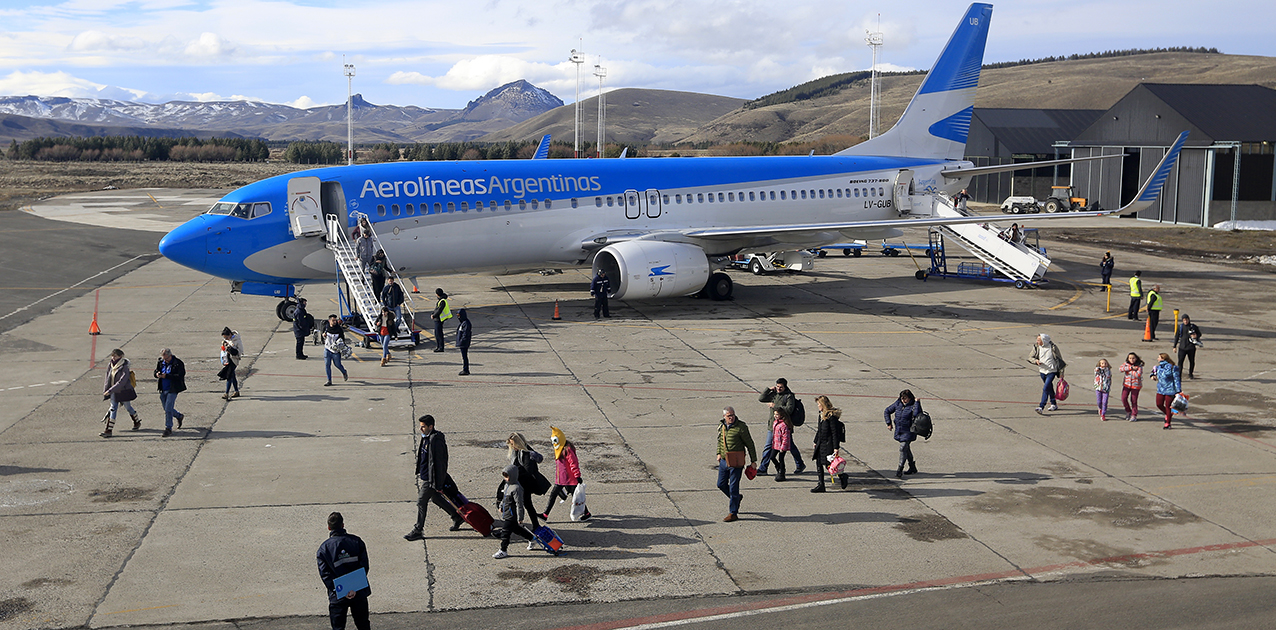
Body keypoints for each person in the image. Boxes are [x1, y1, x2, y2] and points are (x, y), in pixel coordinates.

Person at [404, 415, 465, 541]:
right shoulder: (426, 437)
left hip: (431, 479)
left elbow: (440, 463)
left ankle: (418, 529)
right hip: (427, 476)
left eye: (423, 427)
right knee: (436, 498)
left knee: (421, 501)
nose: (420, 429)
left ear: (430, 427)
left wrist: (437, 482)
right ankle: (456, 516)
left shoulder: (435, 440)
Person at [316, 511, 370, 630]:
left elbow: (325, 575)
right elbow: (364, 566)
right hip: (358, 592)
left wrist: (342, 589)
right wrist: (353, 588)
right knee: (363, 625)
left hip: (338, 595)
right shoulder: (357, 542)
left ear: (329, 527)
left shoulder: (323, 549)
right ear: (343, 525)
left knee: (338, 627)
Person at [715, 406, 757, 523]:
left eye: (733, 415)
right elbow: (720, 441)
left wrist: (753, 461)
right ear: (724, 417)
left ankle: (733, 513)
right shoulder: (722, 426)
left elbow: (750, 444)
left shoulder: (741, 427)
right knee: (721, 484)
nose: (731, 418)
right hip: (724, 460)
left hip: (736, 462)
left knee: (734, 487)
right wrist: (719, 453)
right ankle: (737, 498)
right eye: (729, 416)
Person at [756, 378, 805, 475]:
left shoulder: (789, 396)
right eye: (777, 386)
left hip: (784, 426)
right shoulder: (774, 394)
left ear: (785, 387)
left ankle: (800, 464)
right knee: (768, 446)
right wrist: (768, 390)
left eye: (781, 387)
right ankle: (763, 468)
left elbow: (789, 409)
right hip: (773, 426)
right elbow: (761, 398)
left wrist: (775, 406)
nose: (778, 389)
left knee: (790, 446)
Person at [540, 427, 589, 521]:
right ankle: (545, 514)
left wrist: (577, 476)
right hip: (562, 478)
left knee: (574, 496)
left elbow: (573, 463)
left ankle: (545, 514)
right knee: (571, 495)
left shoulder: (567, 449)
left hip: (568, 479)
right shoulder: (559, 449)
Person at [492, 463, 538, 559]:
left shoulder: (517, 488)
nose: (505, 478)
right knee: (516, 529)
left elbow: (519, 504)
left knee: (505, 533)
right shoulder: (507, 485)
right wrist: (501, 506)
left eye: (507, 476)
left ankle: (503, 550)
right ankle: (532, 538)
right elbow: (504, 498)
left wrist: (520, 517)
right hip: (507, 512)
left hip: (511, 515)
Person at [507, 432, 546, 531]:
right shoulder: (517, 452)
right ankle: (535, 525)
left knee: (524, 504)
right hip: (519, 482)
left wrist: (514, 474)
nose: (512, 446)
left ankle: (511, 527)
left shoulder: (527, 454)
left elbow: (528, 471)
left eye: (513, 443)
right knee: (526, 505)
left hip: (525, 484)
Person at [101, 348, 139, 438]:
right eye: (112, 355)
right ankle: (108, 430)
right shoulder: (110, 365)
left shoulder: (124, 366)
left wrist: (110, 390)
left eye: (115, 356)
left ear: (120, 356)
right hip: (114, 391)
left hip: (123, 391)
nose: (113, 357)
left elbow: (122, 382)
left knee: (128, 407)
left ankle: (137, 422)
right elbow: (107, 378)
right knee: (113, 408)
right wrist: (106, 390)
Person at [884, 390, 922, 479]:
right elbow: (887, 411)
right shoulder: (898, 404)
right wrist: (888, 423)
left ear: (910, 398)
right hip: (899, 430)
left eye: (905, 398)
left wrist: (917, 403)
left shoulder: (914, 405)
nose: (903, 400)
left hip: (909, 431)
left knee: (903, 447)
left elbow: (917, 414)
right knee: (906, 448)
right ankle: (912, 467)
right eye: (902, 398)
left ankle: (900, 469)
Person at [811, 395, 845, 492]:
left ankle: (843, 477)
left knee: (829, 464)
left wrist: (836, 447)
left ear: (823, 404)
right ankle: (821, 484)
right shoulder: (821, 415)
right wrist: (815, 441)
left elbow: (834, 433)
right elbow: (820, 430)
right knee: (818, 463)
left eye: (819, 404)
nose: (818, 406)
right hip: (820, 443)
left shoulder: (831, 417)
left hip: (828, 443)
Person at [1029, 333, 1065, 414]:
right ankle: (1054, 403)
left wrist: (1061, 372)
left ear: (1044, 341)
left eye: (1039, 340)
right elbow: (1030, 357)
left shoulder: (1053, 348)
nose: (1037, 341)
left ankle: (1041, 406)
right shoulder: (1037, 347)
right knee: (1049, 387)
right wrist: (1036, 361)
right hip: (1042, 371)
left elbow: (1060, 360)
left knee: (1045, 388)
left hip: (1051, 370)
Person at [155, 348, 186, 437]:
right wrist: (157, 374)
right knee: (167, 408)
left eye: (166, 358)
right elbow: (156, 371)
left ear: (170, 355)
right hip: (163, 389)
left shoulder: (178, 363)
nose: (165, 360)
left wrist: (167, 376)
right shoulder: (161, 362)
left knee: (168, 409)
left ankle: (168, 428)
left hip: (173, 389)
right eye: (163, 358)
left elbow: (180, 375)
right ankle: (179, 416)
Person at [1153, 353, 1183, 430]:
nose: (1157, 359)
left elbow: (1177, 379)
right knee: (1159, 404)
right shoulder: (1158, 367)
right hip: (1161, 389)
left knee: (1168, 406)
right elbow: (1153, 372)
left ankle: (1168, 423)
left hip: (1170, 389)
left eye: (1159, 357)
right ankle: (1168, 414)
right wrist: (1152, 376)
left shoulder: (1173, 367)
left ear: (1163, 358)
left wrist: (1178, 391)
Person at [322, 315, 350, 386]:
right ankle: (329, 380)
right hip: (327, 349)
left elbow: (342, 340)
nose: (335, 322)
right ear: (329, 321)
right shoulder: (326, 327)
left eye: (335, 320)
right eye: (333, 320)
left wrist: (338, 344)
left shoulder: (339, 329)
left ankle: (344, 372)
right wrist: (323, 335)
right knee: (327, 364)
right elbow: (323, 334)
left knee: (337, 364)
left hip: (336, 351)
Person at [1173, 314, 1203, 379]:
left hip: (1191, 347)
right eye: (1184, 320)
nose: (1185, 321)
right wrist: (1174, 346)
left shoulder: (1193, 327)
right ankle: (1179, 375)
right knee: (1180, 362)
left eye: (1186, 320)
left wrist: (1196, 336)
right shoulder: (1180, 327)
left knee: (1191, 361)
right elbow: (1176, 337)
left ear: (1189, 320)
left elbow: (1199, 333)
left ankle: (1190, 373)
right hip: (1182, 347)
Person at [1119, 352, 1145, 422]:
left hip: (1135, 385)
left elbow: (1138, 375)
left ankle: (1134, 414)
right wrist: (1130, 368)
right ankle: (1128, 411)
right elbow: (1121, 369)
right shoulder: (1126, 364)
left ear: (1136, 358)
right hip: (1126, 384)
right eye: (1130, 358)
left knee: (1133, 400)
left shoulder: (1139, 366)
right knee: (1123, 398)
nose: (1132, 360)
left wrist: (1129, 371)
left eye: (1133, 358)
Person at [769, 408, 793, 482]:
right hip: (776, 444)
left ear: (781, 415)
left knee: (781, 459)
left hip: (782, 445)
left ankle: (782, 473)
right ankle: (779, 468)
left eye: (777, 414)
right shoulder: (775, 422)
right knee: (772, 457)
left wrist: (783, 447)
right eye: (774, 414)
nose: (775, 416)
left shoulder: (784, 425)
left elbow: (785, 437)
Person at [219, 327, 243, 400]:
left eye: (226, 337)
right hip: (228, 360)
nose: (226, 338)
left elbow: (240, 351)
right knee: (232, 376)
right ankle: (236, 391)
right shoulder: (227, 340)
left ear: (230, 334)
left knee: (229, 376)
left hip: (234, 360)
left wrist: (232, 351)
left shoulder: (237, 341)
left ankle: (226, 393)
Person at [431, 288, 452, 352]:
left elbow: (439, 310)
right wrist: (433, 313)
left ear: (437, 294)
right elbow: (437, 309)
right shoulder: (441, 300)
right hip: (438, 319)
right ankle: (438, 346)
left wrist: (434, 315)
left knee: (439, 334)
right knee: (437, 333)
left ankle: (440, 347)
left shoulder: (442, 301)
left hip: (439, 319)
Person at [455, 309, 472, 376]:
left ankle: (466, 369)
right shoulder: (462, 323)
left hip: (464, 343)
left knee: (465, 357)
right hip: (462, 343)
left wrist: (462, 341)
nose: (458, 317)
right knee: (464, 356)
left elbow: (466, 333)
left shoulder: (466, 323)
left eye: (459, 315)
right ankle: (465, 369)